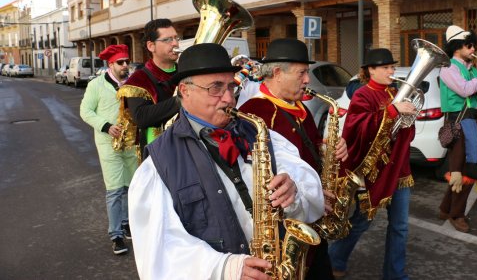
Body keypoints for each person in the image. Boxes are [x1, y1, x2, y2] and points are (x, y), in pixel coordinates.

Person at [128, 43, 324, 279]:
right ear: (185, 91)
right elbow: (158, 249)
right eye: (215, 88)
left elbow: (309, 183)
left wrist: (295, 190)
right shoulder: (159, 164)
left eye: (231, 86)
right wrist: (223, 267)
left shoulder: (260, 132)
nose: (229, 98)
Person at [239, 38, 349, 280]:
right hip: (283, 226)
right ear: (278, 73)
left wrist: (328, 148)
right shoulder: (255, 112)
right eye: (302, 73)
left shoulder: (297, 107)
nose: (307, 80)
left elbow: (309, 147)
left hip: (312, 216)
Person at [328, 48, 418, 280]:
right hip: (374, 170)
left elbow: (405, 133)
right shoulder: (362, 94)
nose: (392, 71)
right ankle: (334, 259)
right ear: (371, 70)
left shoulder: (395, 92)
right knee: (361, 222)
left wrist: (408, 119)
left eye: (392, 67)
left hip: (399, 169)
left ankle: (395, 275)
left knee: (400, 227)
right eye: (386, 67)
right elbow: (358, 129)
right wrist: (392, 111)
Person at [80, 44, 138, 255]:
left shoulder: (131, 84)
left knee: (130, 187)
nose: (125, 66)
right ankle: (116, 235)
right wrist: (106, 126)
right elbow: (85, 111)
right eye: (121, 63)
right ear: (110, 64)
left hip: (130, 142)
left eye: (127, 62)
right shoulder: (96, 85)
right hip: (108, 143)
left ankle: (126, 222)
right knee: (114, 190)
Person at [439, 25, 477, 181]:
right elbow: (465, 90)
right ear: (457, 47)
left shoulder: (473, 70)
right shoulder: (449, 68)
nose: (473, 49)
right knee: (472, 135)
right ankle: (471, 165)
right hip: (458, 117)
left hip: (473, 114)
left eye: (474, 45)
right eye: (469, 45)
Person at [117, 18, 180, 160]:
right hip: (158, 154)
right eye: (168, 40)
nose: (175, 43)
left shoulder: (186, 72)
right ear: (151, 46)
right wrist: (181, 100)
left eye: (176, 38)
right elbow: (142, 117)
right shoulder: (138, 80)